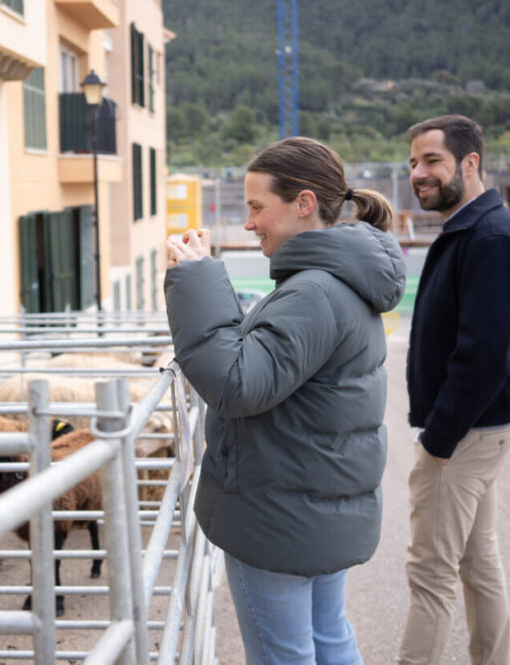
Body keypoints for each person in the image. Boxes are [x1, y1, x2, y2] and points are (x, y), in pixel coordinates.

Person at [164, 136, 405, 665]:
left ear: (303, 203)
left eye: (256, 207)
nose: (249, 223)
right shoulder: (339, 282)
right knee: (329, 638)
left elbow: (237, 384)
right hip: (310, 505)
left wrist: (196, 278)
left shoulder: (314, 292)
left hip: (278, 515)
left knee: (286, 655)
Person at [400, 115, 510, 665]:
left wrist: (439, 437)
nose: (418, 173)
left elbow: (484, 355)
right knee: (478, 562)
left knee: (430, 575)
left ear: (470, 163)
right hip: (477, 431)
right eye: (413, 162)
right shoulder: (474, 231)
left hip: (463, 437)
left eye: (432, 160)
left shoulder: (491, 239)